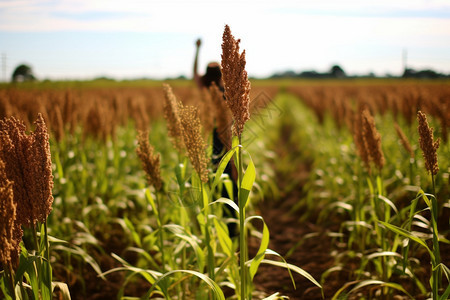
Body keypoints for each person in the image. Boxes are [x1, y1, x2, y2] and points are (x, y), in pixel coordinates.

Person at [193, 38, 238, 236]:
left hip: (209, 135)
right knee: (229, 177)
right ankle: (232, 224)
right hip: (223, 135)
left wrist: (197, 50)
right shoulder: (225, 89)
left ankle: (223, 223)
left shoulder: (204, 88)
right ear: (221, 75)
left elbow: (194, 73)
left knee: (215, 180)